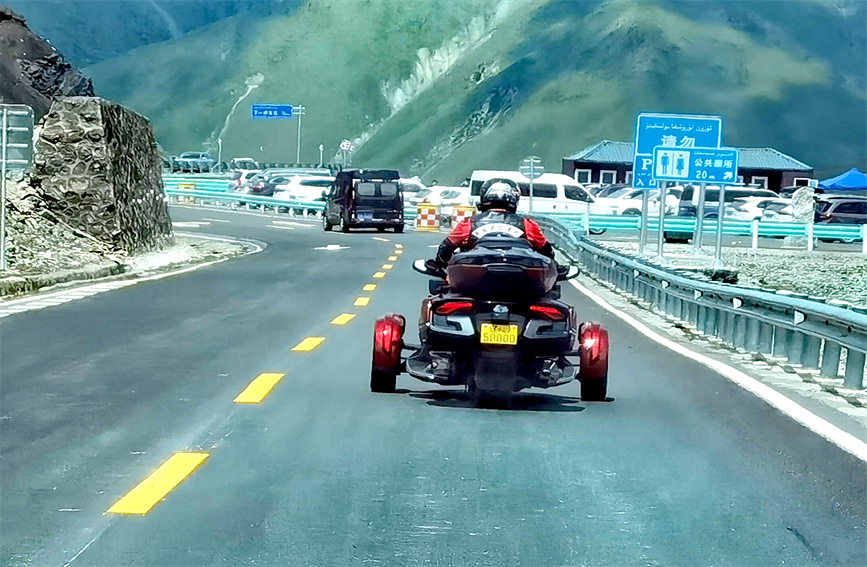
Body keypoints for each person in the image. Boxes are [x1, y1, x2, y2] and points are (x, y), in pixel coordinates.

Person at [434, 181, 554, 269]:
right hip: (521, 281)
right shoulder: (527, 224)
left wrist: (440, 265)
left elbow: (446, 248)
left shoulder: (469, 223)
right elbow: (546, 251)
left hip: (474, 279)